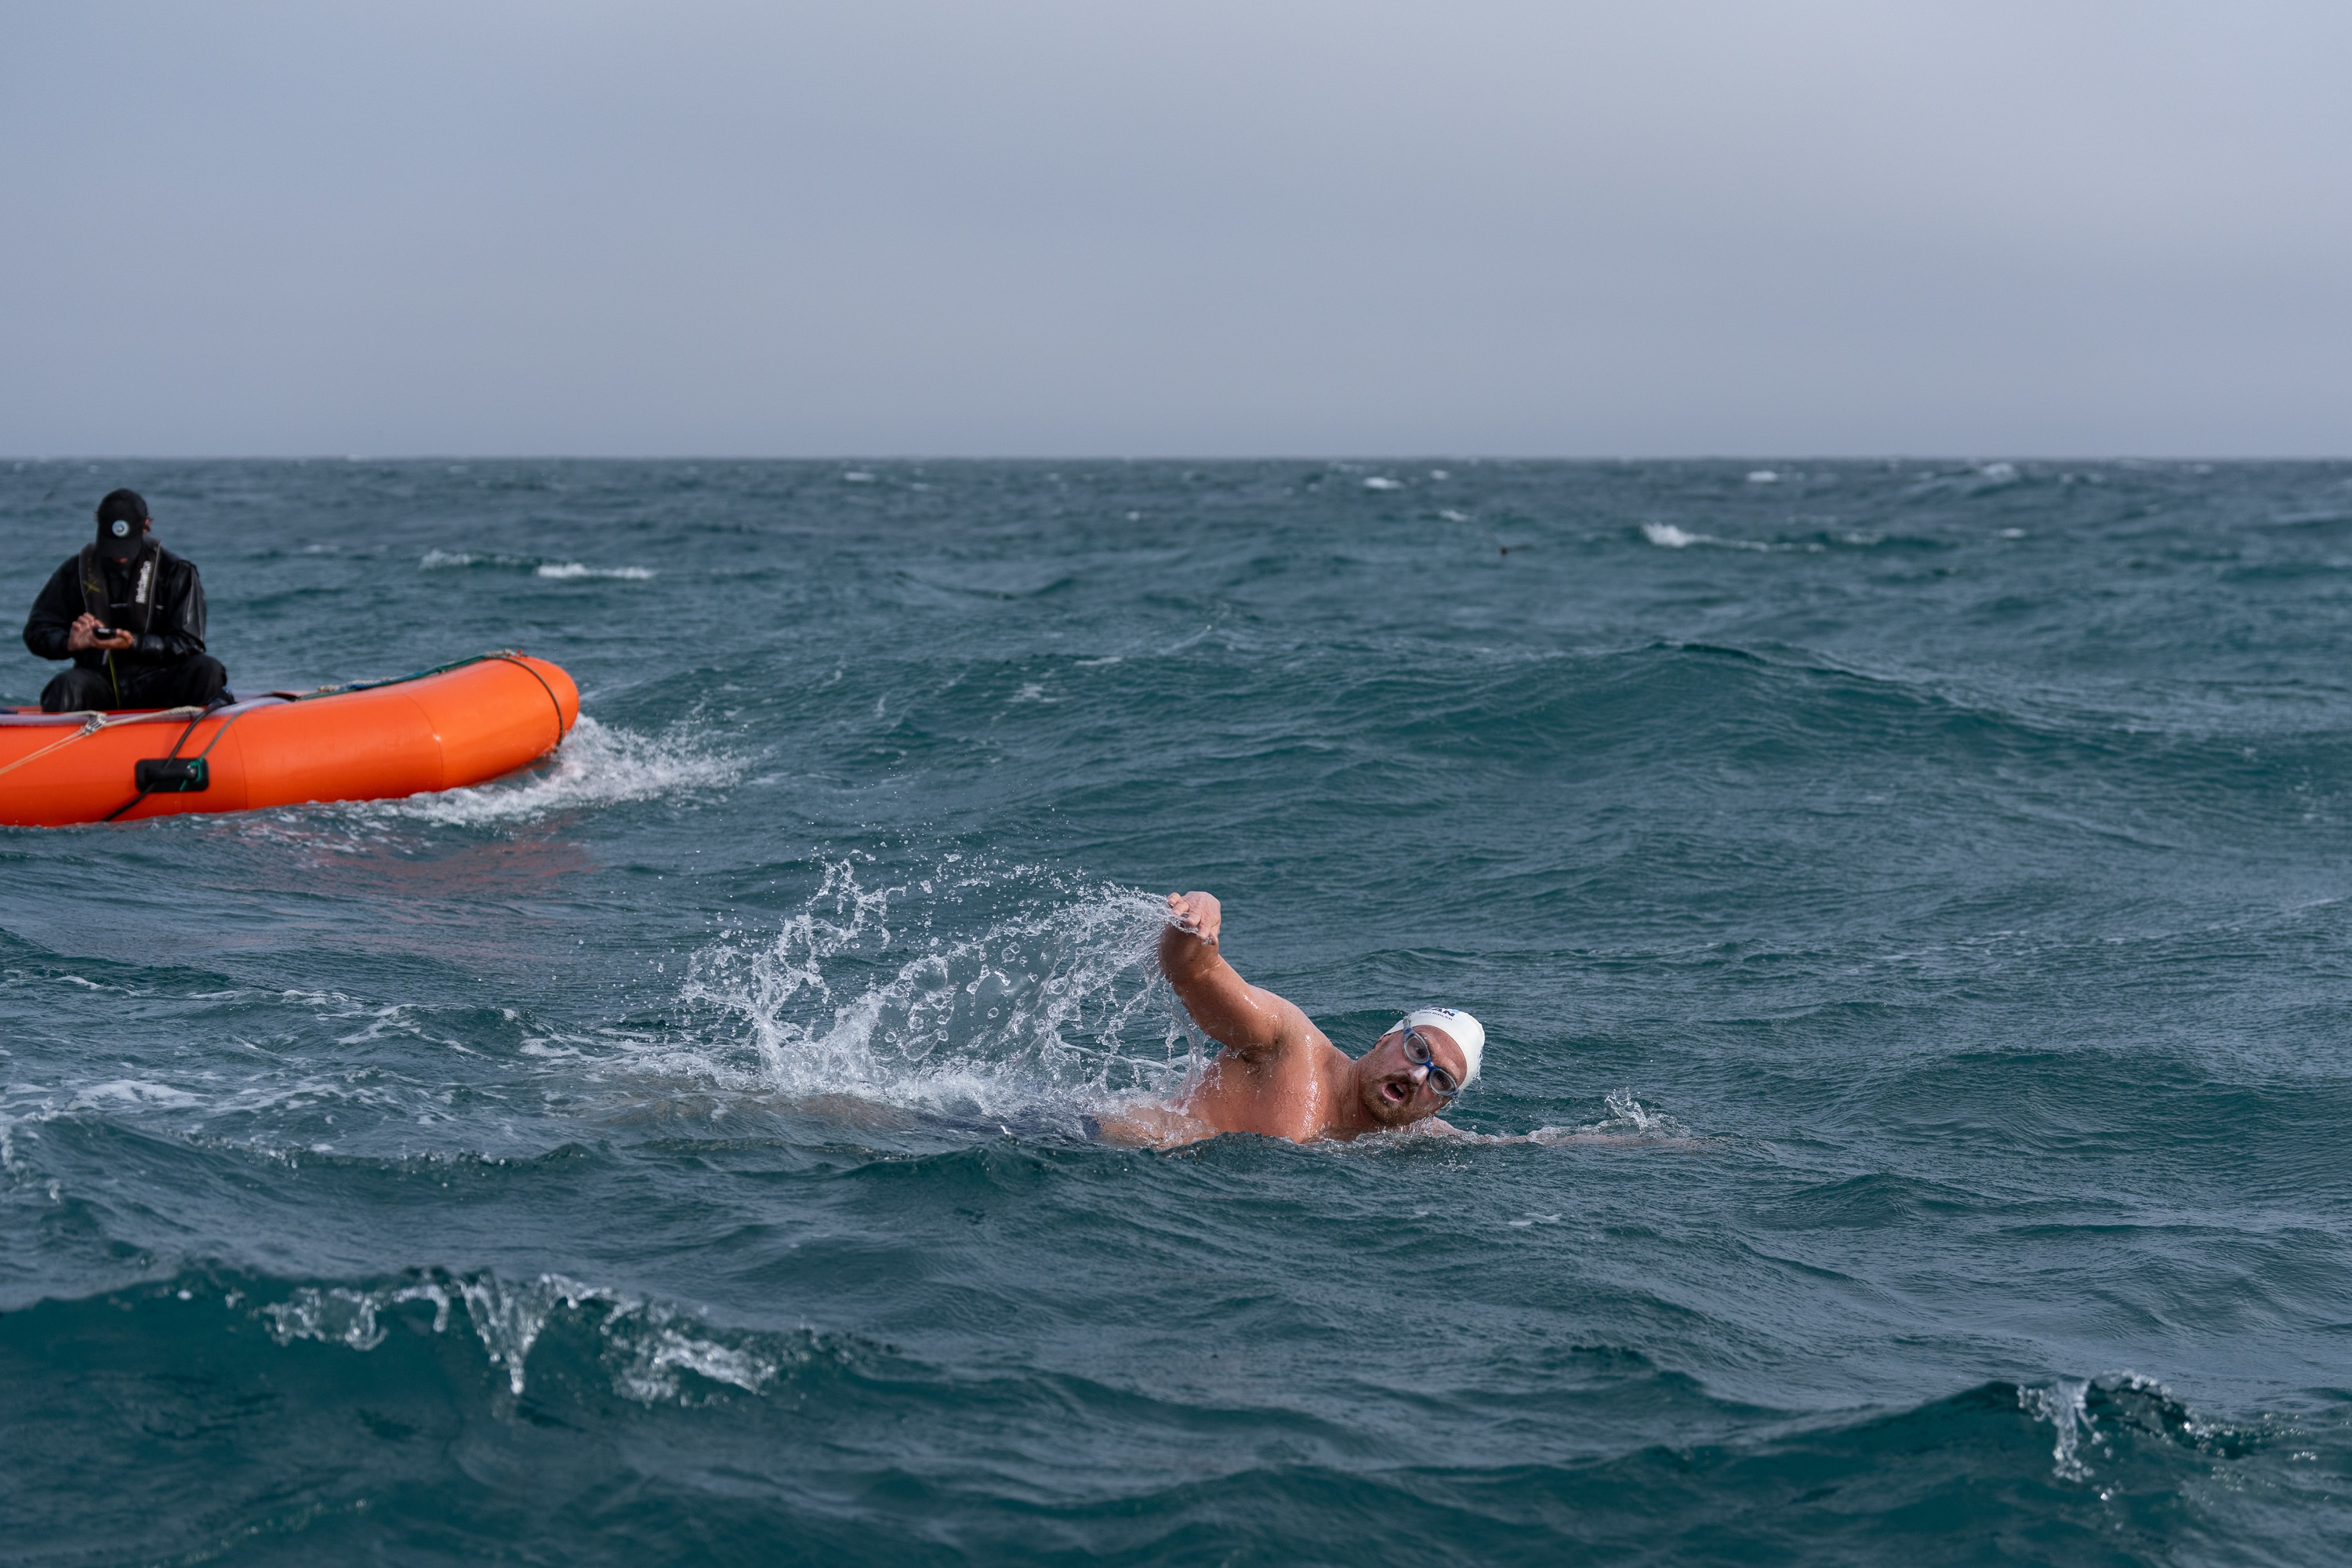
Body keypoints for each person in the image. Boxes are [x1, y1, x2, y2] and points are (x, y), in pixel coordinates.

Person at [1106, 889, 1484, 1145]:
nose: (1418, 1076)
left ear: (1440, 1107)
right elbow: (1194, 972)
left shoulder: (1421, 1134)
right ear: (1384, 1039)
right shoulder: (1287, 1044)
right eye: (1417, 1050)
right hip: (1098, 1145)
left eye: (1441, 1080)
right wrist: (1198, 915)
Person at [22, 488, 228, 713]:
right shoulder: (75, 572)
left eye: (126, 547)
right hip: (99, 681)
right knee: (65, 686)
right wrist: (68, 642)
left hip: (159, 679)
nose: (119, 555)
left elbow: (189, 643)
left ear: (146, 526)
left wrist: (133, 643)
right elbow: (36, 631)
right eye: (112, 547)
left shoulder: (176, 571)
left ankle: (198, 741)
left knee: (208, 670)